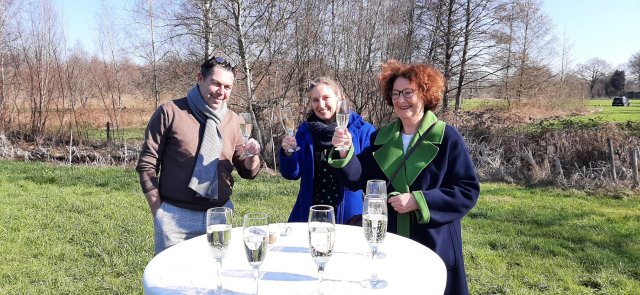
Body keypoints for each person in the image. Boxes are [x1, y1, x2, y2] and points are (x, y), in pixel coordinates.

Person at [329, 60, 480, 294]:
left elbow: (467, 190)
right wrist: (344, 150)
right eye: (396, 93)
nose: (401, 100)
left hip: (433, 243)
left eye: (408, 92)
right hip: (391, 241)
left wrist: (419, 201)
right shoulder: (382, 137)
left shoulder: (447, 137)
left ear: (425, 94)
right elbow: (357, 178)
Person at [136, 56, 261, 255]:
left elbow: (247, 171)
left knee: (216, 280)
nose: (221, 92)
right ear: (200, 78)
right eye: (216, 84)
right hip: (175, 219)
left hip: (220, 216)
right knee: (173, 283)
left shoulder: (235, 120)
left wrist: (253, 155)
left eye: (227, 87)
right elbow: (147, 164)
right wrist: (158, 211)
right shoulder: (170, 112)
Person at [279, 77, 375, 224]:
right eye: (315, 100)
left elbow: (367, 178)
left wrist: (347, 151)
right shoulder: (306, 131)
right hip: (310, 213)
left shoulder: (363, 130)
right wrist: (288, 153)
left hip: (348, 217)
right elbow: (292, 174)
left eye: (326, 98)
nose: (321, 105)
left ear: (340, 98)